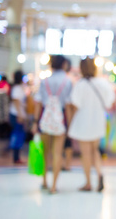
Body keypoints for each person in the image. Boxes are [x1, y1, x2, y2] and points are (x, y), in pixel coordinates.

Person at [68, 57, 115, 192]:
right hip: (98, 120)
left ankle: (88, 182)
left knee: (86, 153)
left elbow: (75, 104)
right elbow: (110, 102)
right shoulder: (103, 83)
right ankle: (99, 174)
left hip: (83, 121)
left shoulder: (80, 85)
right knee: (95, 151)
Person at [33, 55, 73, 194]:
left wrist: (35, 121)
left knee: (45, 152)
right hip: (60, 118)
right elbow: (68, 105)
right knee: (57, 153)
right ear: (63, 65)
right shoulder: (67, 82)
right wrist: (70, 124)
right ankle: (54, 186)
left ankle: (44, 180)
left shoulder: (45, 81)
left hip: (45, 117)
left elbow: (38, 103)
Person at [9, 70, 27, 165]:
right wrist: (20, 114)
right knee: (17, 135)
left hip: (18, 114)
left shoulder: (18, 87)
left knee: (19, 135)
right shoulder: (17, 88)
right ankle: (16, 157)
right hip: (16, 115)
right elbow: (16, 101)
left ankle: (17, 157)